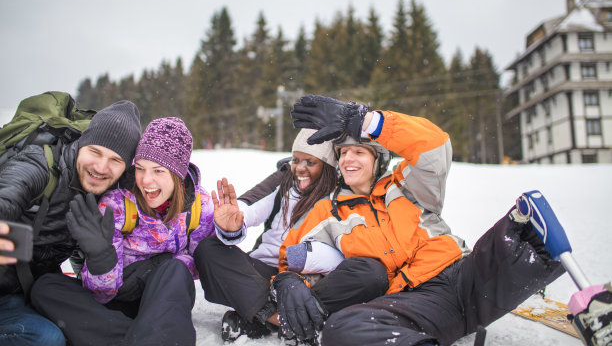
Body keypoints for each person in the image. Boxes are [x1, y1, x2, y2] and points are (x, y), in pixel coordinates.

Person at [275, 94, 565, 346]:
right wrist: (288, 281)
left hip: (466, 276)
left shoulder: (406, 185)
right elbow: (294, 255)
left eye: (359, 151)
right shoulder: (328, 211)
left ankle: (597, 310)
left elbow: (434, 145)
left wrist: (363, 121)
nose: (349, 159)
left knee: (528, 230)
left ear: (379, 160)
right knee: (343, 330)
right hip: (413, 302)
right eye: (343, 153)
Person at [30, 117, 216, 346]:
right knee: (45, 287)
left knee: (175, 269)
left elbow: (200, 265)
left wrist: (161, 264)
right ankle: (143, 337)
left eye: (158, 171)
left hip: (163, 294)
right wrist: (101, 260)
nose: (146, 180)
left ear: (177, 174)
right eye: (140, 168)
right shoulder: (116, 204)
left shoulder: (200, 205)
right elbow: (102, 294)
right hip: (119, 293)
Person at [196, 128, 389, 343]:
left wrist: (302, 262)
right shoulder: (284, 182)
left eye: (310, 162)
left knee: (372, 275)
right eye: (296, 160)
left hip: (310, 280)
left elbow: (349, 249)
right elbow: (250, 205)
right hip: (261, 273)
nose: (300, 168)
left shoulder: (340, 195)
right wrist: (232, 224)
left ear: (327, 166)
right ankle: (283, 320)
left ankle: (256, 315)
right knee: (208, 250)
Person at [0, 100, 142, 346]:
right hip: (6, 291)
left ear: (124, 168)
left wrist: (99, 256)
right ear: (81, 144)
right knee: (47, 338)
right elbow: (8, 195)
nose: (100, 167)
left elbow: (78, 254)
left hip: (33, 290)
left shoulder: (109, 195)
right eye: (95, 152)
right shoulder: (39, 166)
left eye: (114, 160)